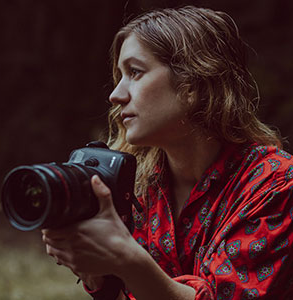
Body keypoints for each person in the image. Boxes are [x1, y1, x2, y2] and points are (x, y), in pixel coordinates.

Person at [42, 6, 293, 300]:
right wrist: (99, 278)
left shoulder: (275, 184)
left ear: (192, 84)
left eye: (135, 72)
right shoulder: (137, 189)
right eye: (119, 76)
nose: (116, 95)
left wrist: (127, 258)